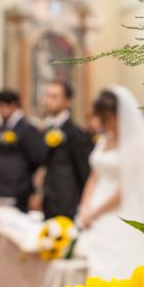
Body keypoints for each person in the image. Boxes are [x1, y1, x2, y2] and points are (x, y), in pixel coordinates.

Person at [78, 86, 144, 279]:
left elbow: (125, 189)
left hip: (117, 209)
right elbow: (95, 176)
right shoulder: (104, 140)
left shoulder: (136, 146)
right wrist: (85, 205)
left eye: (107, 118)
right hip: (93, 208)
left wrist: (95, 212)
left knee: (112, 269)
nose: (104, 123)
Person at [41, 80, 93, 220]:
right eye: (47, 96)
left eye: (54, 97)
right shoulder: (47, 129)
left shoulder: (75, 134)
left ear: (67, 101)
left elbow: (83, 171)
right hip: (49, 200)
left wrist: (83, 204)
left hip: (67, 203)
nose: (48, 101)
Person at [0, 89, 46, 212]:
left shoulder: (27, 128)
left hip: (18, 187)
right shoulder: (3, 127)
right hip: (0, 185)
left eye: (2, 106)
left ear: (13, 105)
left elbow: (37, 157)